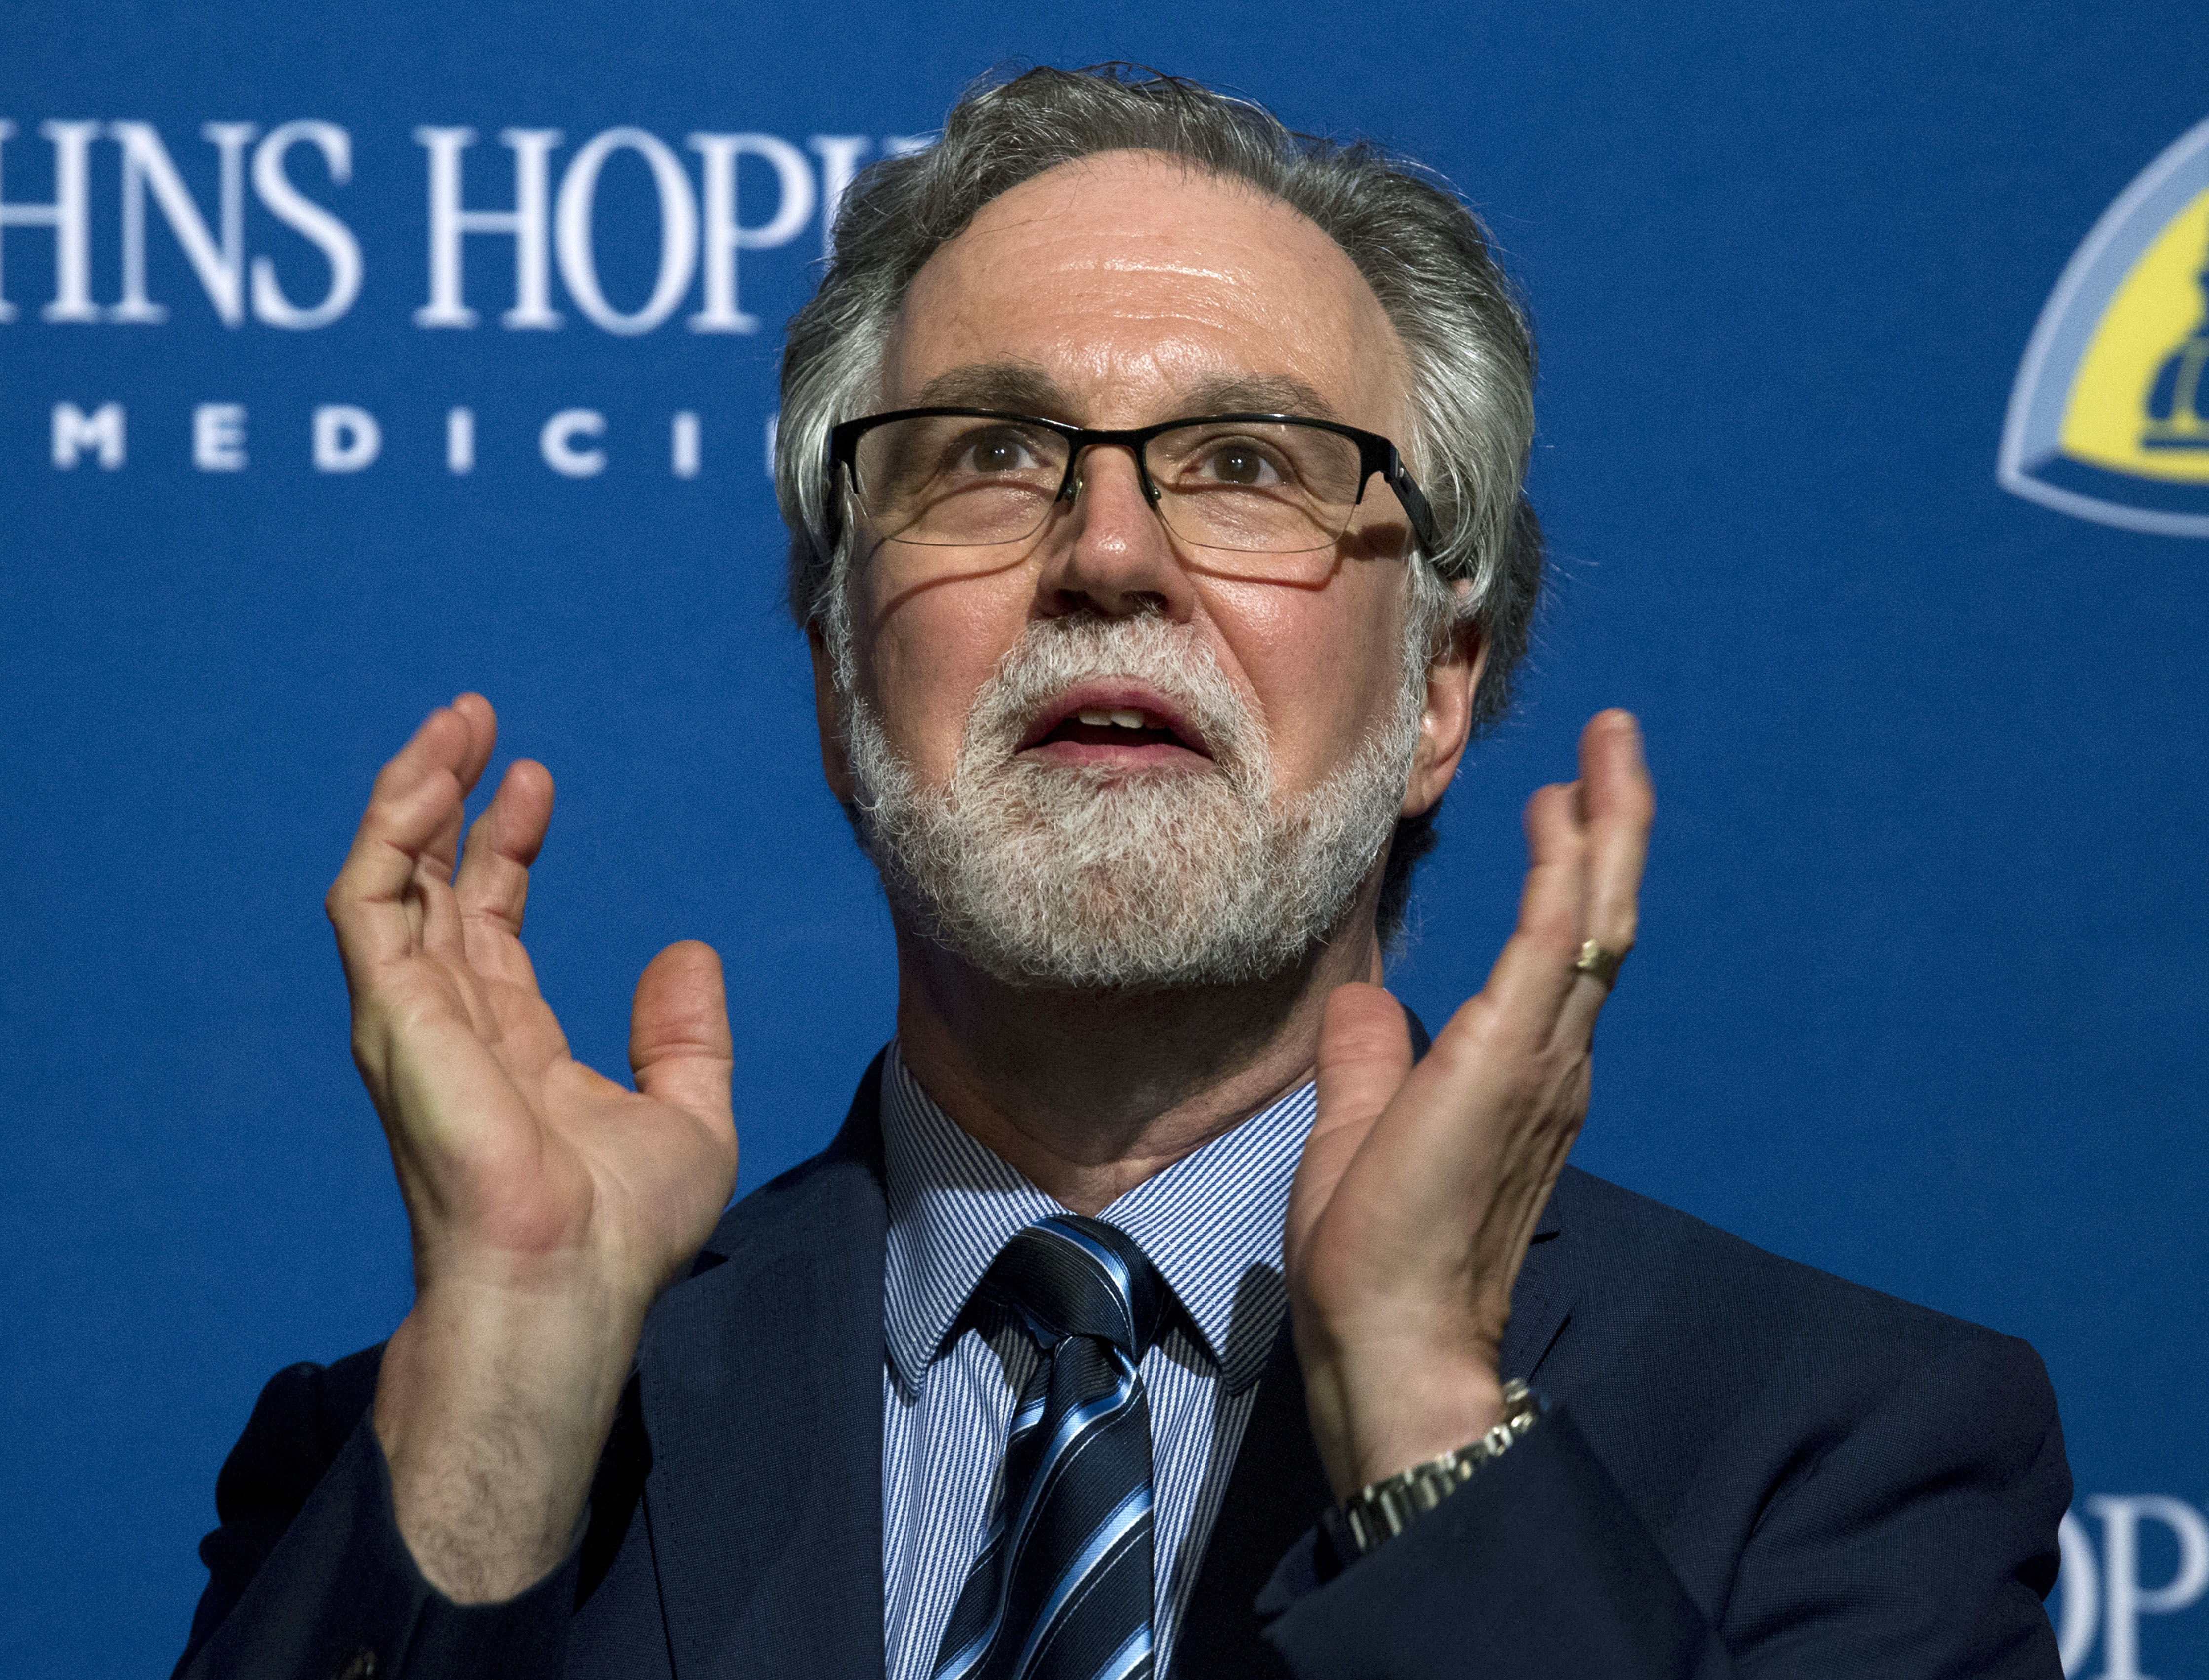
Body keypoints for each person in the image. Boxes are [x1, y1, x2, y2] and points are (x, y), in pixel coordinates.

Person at [172, 66, 2067, 1680]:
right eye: (991, 454)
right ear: (838, 674)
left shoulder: (1843, 1446)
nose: (1106, 553)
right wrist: (506, 1398)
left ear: (1438, 689)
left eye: (1247, 463)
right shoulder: (430, 1446)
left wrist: (1425, 1418)